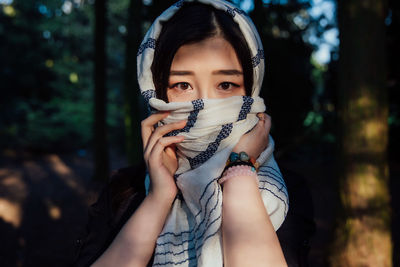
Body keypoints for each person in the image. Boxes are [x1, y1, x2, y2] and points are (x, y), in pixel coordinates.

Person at [72, 1, 315, 266]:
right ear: (156, 91)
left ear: (252, 88)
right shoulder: (124, 191)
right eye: (182, 85)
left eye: (225, 84)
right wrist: (159, 197)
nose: (203, 104)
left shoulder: (283, 190)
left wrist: (240, 170)